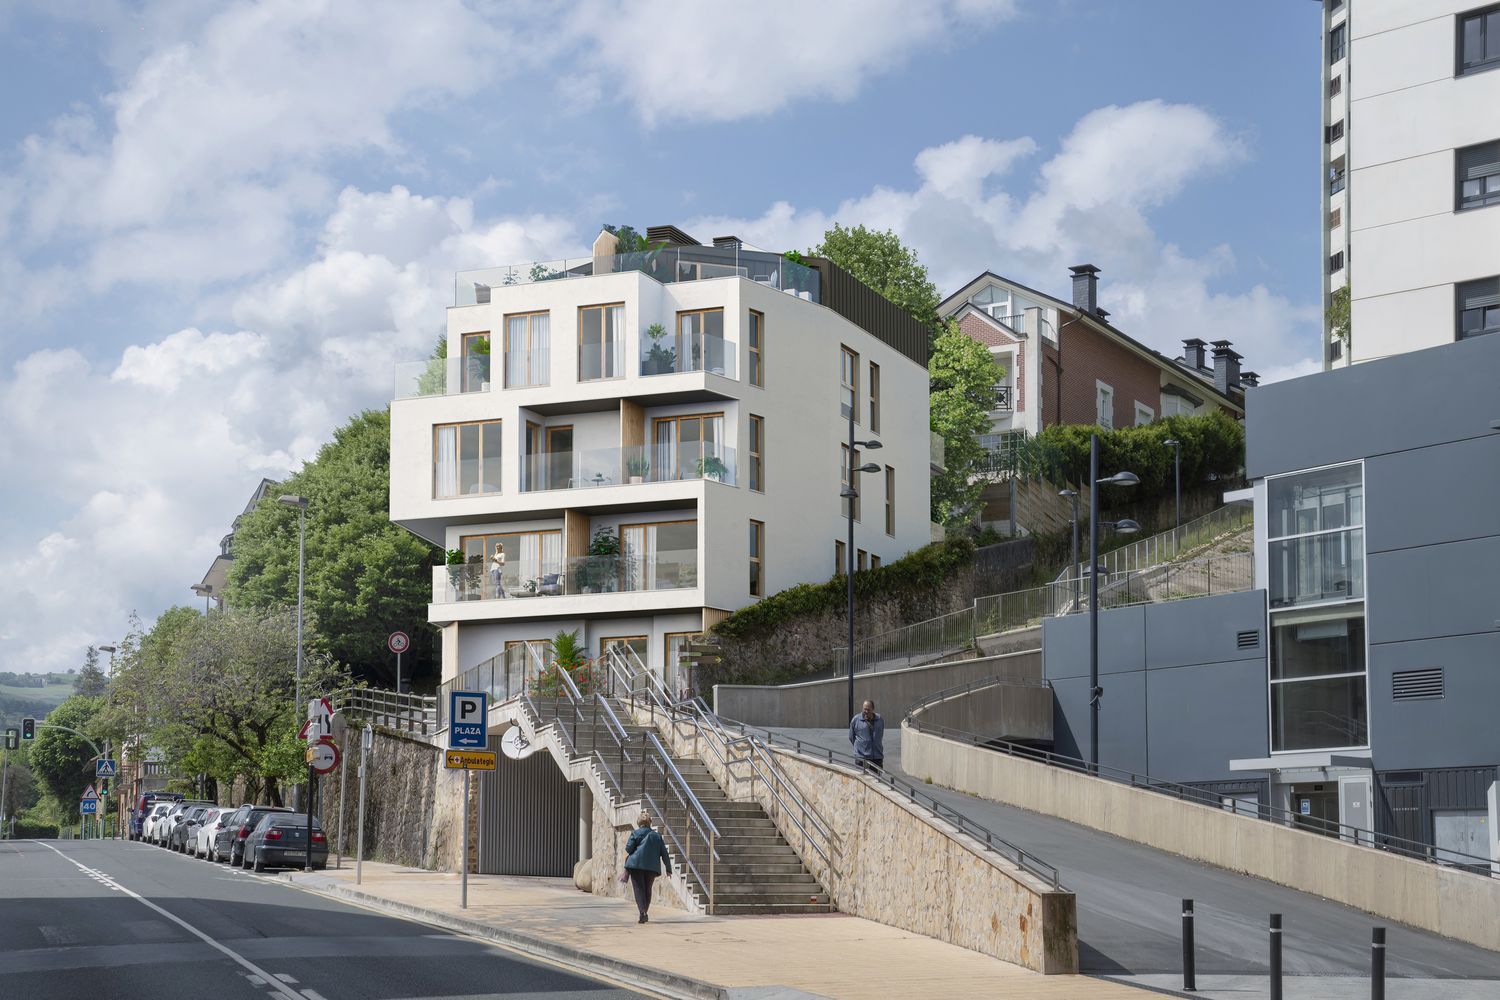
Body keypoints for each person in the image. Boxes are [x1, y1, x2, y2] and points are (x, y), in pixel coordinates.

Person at [623, 812, 672, 923]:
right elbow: (664, 854)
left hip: (636, 865)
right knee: (647, 890)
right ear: (650, 823)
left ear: (639, 822)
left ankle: (642, 912)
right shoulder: (657, 836)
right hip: (651, 868)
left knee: (638, 889)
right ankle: (645, 911)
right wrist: (668, 869)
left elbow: (629, 849)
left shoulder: (635, 833)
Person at [849, 699, 884, 772]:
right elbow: (851, 737)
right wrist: (861, 746)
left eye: (868, 709)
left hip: (877, 757)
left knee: (876, 778)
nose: (866, 711)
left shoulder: (879, 719)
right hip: (862, 757)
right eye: (864, 709)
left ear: (873, 709)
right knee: (862, 778)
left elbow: (880, 735)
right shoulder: (856, 720)